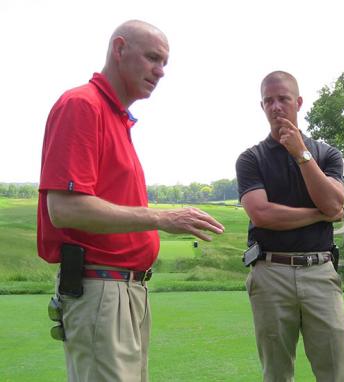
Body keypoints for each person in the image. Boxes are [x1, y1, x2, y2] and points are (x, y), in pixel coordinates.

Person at [37, 20, 224, 382]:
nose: (161, 71)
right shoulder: (82, 105)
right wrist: (161, 219)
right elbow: (64, 209)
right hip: (101, 292)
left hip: (127, 293)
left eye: (165, 63)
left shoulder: (117, 118)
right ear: (119, 49)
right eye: (153, 58)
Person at [236, 71, 344, 382]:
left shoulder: (327, 154)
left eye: (283, 99)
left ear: (298, 102)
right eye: (268, 101)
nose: (276, 107)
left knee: (337, 372)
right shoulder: (251, 159)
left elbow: (333, 203)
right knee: (276, 374)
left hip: (320, 271)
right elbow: (261, 214)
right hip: (270, 273)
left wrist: (300, 153)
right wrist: (319, 215)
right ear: (262, 106)